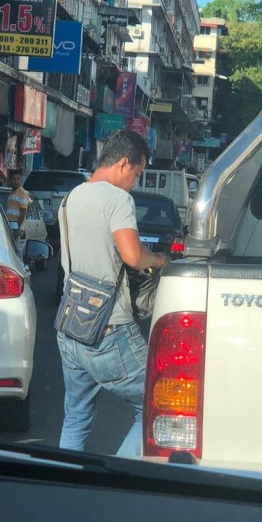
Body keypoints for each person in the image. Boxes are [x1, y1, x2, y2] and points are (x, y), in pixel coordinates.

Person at [56, 130, 167, 456]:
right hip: (109, 331)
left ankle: (63, 480)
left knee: (75, 417)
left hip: (71, 328)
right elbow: (133, 256)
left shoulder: (70, 198)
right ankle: (121, 477)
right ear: (122, 164)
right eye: (137, 172)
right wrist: (159, 259)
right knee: (158, 404)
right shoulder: (119, 200)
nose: (136, 181)